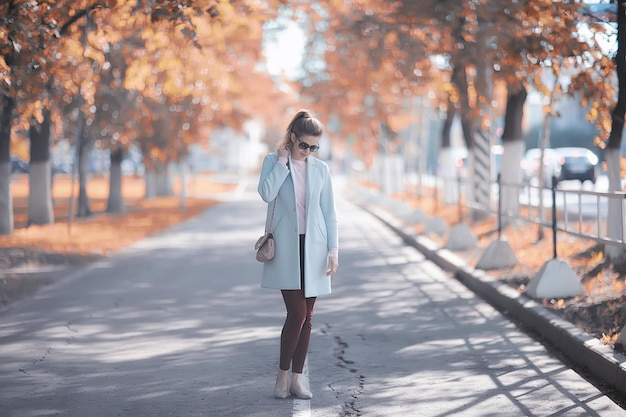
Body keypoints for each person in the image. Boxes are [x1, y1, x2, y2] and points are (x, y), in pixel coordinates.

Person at [257, 109, 339, 400]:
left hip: (315, 248)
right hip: (287, 248)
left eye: (314, 147)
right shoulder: (273, 161)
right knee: (297, 313)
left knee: (309, 317)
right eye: (304, 145)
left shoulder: (321, 169)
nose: (308, 151)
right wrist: (282, 163)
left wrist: (333, 250)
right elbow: (267, 194)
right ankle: (281, 377)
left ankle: (297, 380)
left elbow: (329, 213)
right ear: (293, 138)